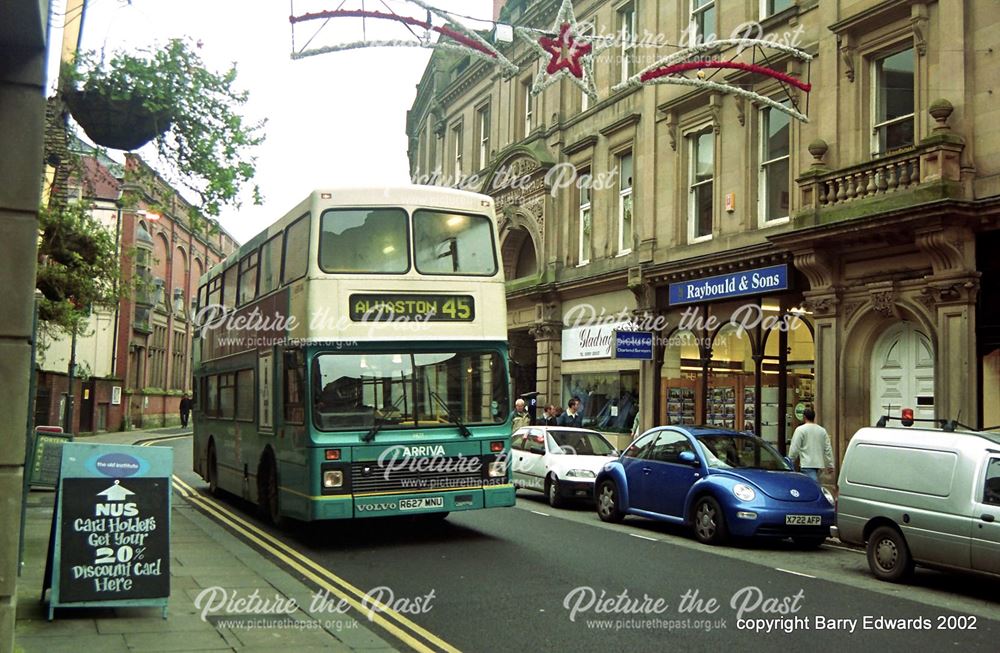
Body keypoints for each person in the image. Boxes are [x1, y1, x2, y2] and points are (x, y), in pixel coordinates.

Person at [788, 407, 834, 482]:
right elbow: (827, 449)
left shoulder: (800, 430)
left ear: (804, 417)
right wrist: (830, 464)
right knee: (816, 486)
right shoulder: (822, 430)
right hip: (819, 465)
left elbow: (794, 448)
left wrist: (790, 461)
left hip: (807, 464)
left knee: (812, 487)